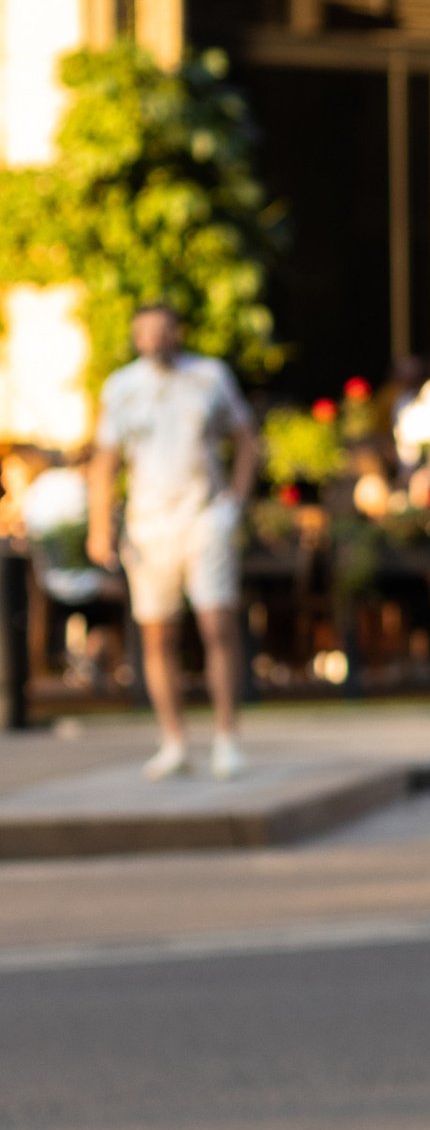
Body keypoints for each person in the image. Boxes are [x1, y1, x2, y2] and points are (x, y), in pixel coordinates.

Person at [86, 306, 262, 780]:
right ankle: (174, 741)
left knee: (216, 625)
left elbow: (246, 438)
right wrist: (100, 526)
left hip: (204, 517)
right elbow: (105, 461)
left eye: (163, 329)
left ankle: (226, 738)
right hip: (148, 525)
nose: (155, 338)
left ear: (177, 332)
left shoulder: (209, 376)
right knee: (157, 634)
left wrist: (234, 504)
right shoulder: (121, 387)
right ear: (135, 336)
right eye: (145, 331)